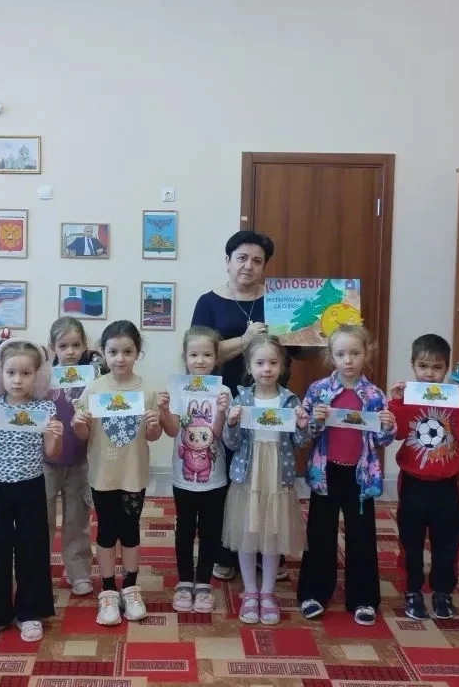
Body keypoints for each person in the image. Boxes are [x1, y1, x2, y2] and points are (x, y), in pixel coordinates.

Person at [191, 230, 291, 581]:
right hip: (222, 402)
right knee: (228, 477)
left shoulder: (278, 300)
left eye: (257, 261)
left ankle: (267, 550)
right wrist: (245, 340)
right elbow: (199, 353)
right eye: (242, 258)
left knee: (266, 477)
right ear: (228, 260)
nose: (249, 266)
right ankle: (226, 551)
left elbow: (296, 346)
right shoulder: (208, 302)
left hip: (270, 400)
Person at [0, 338, 62, 643]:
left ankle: (30, 611)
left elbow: (52, 453)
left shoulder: (44, 408)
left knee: (32, 547)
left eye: (25, 373)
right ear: (0, 374)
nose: (17, 380)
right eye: (11, 373)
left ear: (38, 376)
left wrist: (55, 435)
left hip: (31, 486)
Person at [297, 325, 395, 625]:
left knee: (361, 536)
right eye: (341, 354)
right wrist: (313, 420)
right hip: (325, 474)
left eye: (355, 353)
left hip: (360, 476)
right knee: (319, 533)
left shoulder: (374, 396)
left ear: (367, 354)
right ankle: (314, 592)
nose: (348, 360)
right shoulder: (319, 391)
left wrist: (387, 426)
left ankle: (363, 598)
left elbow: (381, 441)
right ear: (331, 356)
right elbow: (305, 434)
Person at [72, 320, 165, 626]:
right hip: (103, 475)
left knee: (130, 530)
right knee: (106, 531)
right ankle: (109, 591)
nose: (120, 358)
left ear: (138, 353)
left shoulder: (147, 391)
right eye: (113, 352)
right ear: (103, 352)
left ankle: (131, 588)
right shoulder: (94, 389)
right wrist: (79, 424)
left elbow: (152, 436)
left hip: (133, 475)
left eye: (127, 351)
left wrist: (154, 425)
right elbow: (84, 435)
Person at [388, 334, 459, 621]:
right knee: (410, 540)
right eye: (423, 366)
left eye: (437, 367)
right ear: (413, 366)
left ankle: (442, 591)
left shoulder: (455, 399)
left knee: (447, 542)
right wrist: (397, 403)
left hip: (446, 485)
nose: (429, 374)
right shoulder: (407, 397)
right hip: (413, 483)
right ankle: (412, 589)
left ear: (447, 369)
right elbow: (397, 432)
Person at [221, 334, 308, 626]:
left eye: (273, 362)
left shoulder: (289, 400)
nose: (267, 368)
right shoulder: (242, 398)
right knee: (248, 533)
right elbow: (232, 443)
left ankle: (268, 593)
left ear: (282, 365)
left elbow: (300, 441)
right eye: (260, 363)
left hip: (277, 476)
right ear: (249, 366)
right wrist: (232, 422)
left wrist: (303, 425)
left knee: (272, 535)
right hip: (249, 474)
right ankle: (250, 591)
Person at [162, 326, 230, 613]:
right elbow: (172, 430)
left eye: (207, 355)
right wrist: (164, 410)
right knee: (185, 528)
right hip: (183, 476)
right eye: (194, 355)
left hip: (214, 477)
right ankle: (184, 581)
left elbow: (217, 434)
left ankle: (203, 583)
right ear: (185, 357)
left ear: (216, 358)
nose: (200, 360)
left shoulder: (223, 391)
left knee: (210, 530)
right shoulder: (177, 389)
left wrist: (223, 411)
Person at [45, 316, 107, 597]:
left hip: (81, 461)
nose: (70, 352)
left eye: (76, 345)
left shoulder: (93, 379)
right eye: (63, 346)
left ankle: (79, 572)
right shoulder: (43, 378)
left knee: (77, 520)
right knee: (42, 520)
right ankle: (38, 570)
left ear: (84, 346)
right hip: (46, 462)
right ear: (53, 348)